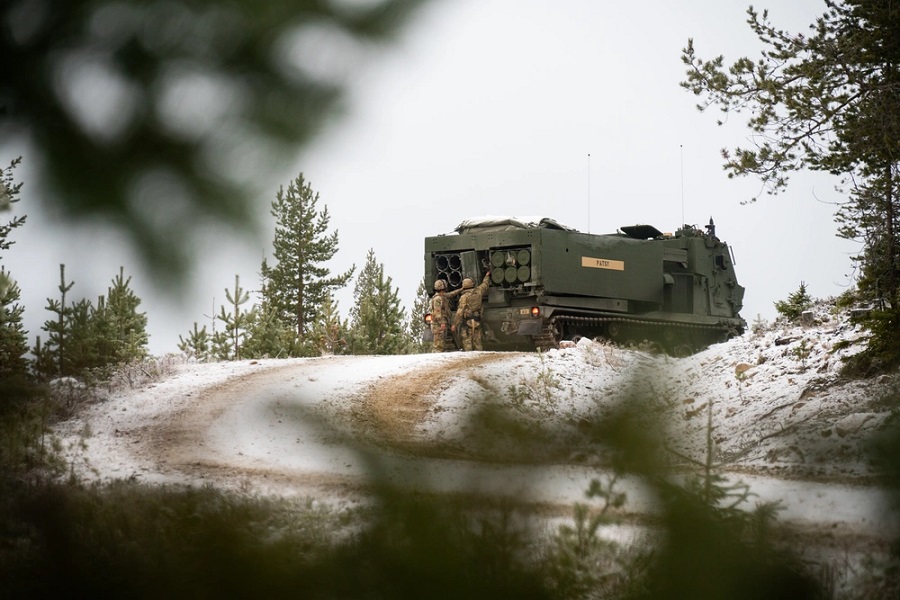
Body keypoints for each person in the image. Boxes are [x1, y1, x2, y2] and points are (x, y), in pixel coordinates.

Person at [451, 271, 491, 351]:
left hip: (467, 323)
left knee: (467, 344)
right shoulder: (478, 292)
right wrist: (487, 276)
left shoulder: (464, 297)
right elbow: (485, 284)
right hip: (477, 322)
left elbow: (460, 312)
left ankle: (470, 360)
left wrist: (454, 324)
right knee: (478, 343)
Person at [429, 279, 454, 352]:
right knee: (438, 346)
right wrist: (442, 322)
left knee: (441, 344)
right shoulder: (438, 298)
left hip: (438, 324)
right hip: (438, 324)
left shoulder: (440, 296)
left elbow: (450, 294)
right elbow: (438, 312)